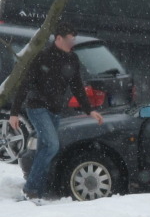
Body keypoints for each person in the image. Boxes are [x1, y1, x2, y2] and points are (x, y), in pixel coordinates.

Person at [9, 22, 104, 199]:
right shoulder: (42, 57)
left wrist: (89, 110)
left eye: (74, 39)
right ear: (58, 38)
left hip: (55, 110)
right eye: (70, 39)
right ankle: (30, 188)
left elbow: (77, 87)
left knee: (45, 149)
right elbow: (24, 85)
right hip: (37, 107)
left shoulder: (72, 59)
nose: (72, 43)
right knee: (52, 145)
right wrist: (14, 112)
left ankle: (39, 190)